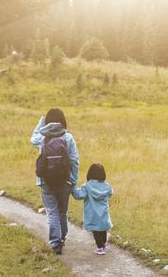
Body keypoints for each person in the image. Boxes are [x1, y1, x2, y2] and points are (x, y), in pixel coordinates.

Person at [30, 108, 79, 254]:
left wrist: (41, 122)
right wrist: (73, 180)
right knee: (62, 212)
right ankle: (62, 239)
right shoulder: (68, 137)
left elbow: (32, 139)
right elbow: (74, 160)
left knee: (52, 212)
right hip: (65, 181)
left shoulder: (42, 137)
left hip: (45, 181)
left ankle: (55, 243)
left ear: (47, 121)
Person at [73, 163, 114, 255]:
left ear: (90, 174)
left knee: (96, 231)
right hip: (103, 212)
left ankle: (100, 248)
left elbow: (79, 196)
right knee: (103, 229)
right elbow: (111, 193)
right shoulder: (106, 185)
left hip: (92, 213)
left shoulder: (87, 186)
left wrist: (73, 189)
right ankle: (103, 244)